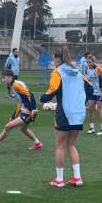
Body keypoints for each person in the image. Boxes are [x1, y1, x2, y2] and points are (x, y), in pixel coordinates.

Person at [41, 47, 87, 188]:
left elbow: (52, 91)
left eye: (53, 58)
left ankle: (59, 180)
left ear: (58, 59)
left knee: (60, 146)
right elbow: (90, 88)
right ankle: (77, 177)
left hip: (65, 112)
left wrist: (43, 98)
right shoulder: (78, 72)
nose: (52, 61)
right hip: (78, 113)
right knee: (71, 145)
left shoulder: (58, 72)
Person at [0, 70, 43, 150]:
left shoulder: (16, 85)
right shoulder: (14, 85)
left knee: (8, 126)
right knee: (23, 129)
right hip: (26, 110)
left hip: (28, 112)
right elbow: (20, 102)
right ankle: (38, 143)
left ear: (10, 77)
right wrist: (14, 116)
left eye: (4, 78)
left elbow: (30, 94)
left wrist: (33, 110)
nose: (3, 80)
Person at [85, 55, 102, 135]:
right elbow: (88, 80)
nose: (88, 64)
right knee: (90, 109)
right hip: (92, 92)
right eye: (87, 62)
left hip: (100, 92)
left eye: (90, 62)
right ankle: (92, 128)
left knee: (99, 109)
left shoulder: (98, 69)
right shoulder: (88, 69)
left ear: (93, 62)